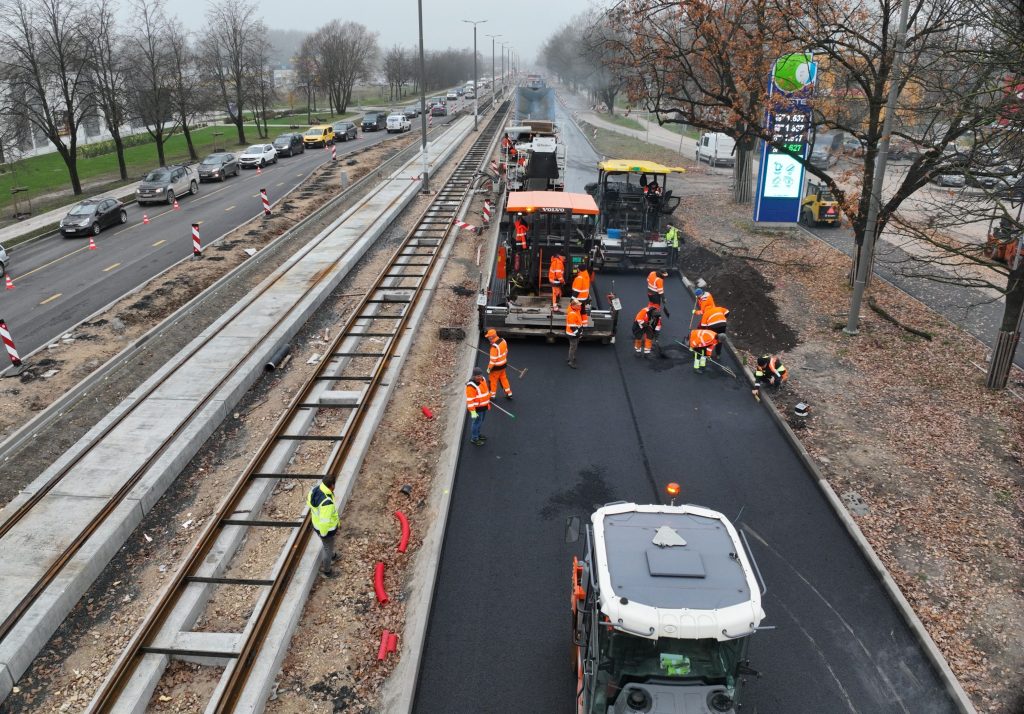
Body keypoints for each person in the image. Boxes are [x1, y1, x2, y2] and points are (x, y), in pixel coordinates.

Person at [307, 480, 340, 578]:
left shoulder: (315, 490)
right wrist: (324, 534)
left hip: (316, 524)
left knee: (328, 545)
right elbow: (325, 522)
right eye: (334, 484)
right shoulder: (327, 503)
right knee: (327, 549)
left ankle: (333, 555)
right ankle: (327, 571)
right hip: (326, 531)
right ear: (331, 485)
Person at [465, 367, 491, 445]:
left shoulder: (483, 379)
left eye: (480, 375)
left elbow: (485, 391)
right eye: (477, 376)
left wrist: (487, 398)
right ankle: (474, 438)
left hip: (484, 406)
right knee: (476, 423)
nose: (479, 377)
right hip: (477, 409)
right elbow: (470, 401)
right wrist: (472, 411)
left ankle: (478, 434)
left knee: (480, 421)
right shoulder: (471, 387)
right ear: (474, 376)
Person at [485, 329, 513, 399]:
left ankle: (492, 395)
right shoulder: (503, 341)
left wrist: (489, 369)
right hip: (503, 365)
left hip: (496, 368)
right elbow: (506, 351)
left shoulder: (494, 347)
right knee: (504, 379)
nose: (488, 338)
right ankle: (509, 392)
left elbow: (492, 361)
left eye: (488, 337)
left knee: (493, 381)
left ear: (491, 337)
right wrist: (502, 360)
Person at [566, 298, 584, 368]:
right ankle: (570, 361)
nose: (580, 306)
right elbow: (572, 327)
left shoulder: (575, 310)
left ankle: (570, 357)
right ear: (574, 306)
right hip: (573, 334)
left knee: (573, 347)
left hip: (575, 332)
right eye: (578, 305)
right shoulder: (572, 314)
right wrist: (578, 334)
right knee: (573, 347)